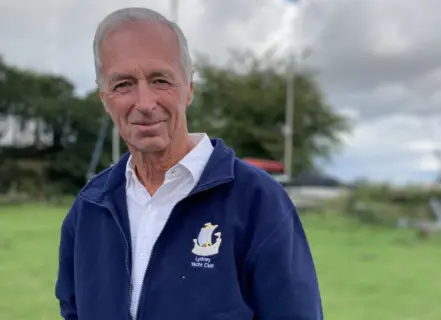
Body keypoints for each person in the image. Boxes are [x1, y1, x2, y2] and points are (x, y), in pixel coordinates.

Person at [55, 7, 323, 320]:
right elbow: (73, 311)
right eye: (123, 84)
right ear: (104, 98)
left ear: (189, 90)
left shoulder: (258, 202)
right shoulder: (89, 208)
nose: (144, 103)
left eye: (160, 80)